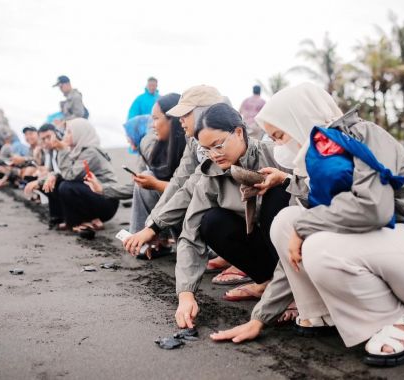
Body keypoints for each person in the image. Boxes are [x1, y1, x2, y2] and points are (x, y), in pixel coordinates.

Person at [212, 83, 404, 367]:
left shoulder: (361, 136)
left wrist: (306, 227)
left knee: (316, 242)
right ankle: (321, 313)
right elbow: (290, 255)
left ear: (299, 120)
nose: (279, 148)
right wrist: (260, 317)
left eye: (280, 136)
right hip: (395, 256)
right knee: (286, 222)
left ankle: (394, 322)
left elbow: (374, 208)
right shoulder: (316, 167)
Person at [159, 103, 290, 330]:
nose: (214, 155)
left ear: (239, 132)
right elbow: (190, 235)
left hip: (293, 252)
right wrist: (186, 294)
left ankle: (292, 291)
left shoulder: (276, 155)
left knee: (277, 196)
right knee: (211, 222)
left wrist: (285, 178)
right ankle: (267, 281)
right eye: (206, 149)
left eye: (218, 145)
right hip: (262, 250)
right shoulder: (211, 174)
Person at [123, 85, 224, 253]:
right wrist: (150, 226)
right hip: (190, 210)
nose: (180, 119)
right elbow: (180, 182)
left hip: (221, 218)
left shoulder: (223, 147)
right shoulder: (193, 144)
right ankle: (154, 242)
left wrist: (152, 227)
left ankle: (221, 254)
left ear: (203, 113)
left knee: (208, 213)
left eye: (185, 114)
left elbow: (192, 191)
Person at [86, 93, 186, 240]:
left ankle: (148, 237)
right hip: (173, 211)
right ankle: (149, 238)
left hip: (188, 212)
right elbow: (143, 184)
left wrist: (153, 184)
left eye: (156, 118)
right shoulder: (160, 145)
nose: (152, 124)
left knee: (148, 179)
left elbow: (188, 190)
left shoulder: (150, 145)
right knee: (147, 180)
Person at [24, 121, 118, 232]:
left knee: (66, 186)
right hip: (95, 195)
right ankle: (69, 219)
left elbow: (69, 175)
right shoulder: (78, 150)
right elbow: (63, 173)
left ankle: (81, 220)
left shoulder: (90, 152)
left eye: (69, 132)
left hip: (107, 200)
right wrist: (48, 178)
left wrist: (62, 149)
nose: (65, 135)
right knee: (54, 182)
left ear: (79, 133)